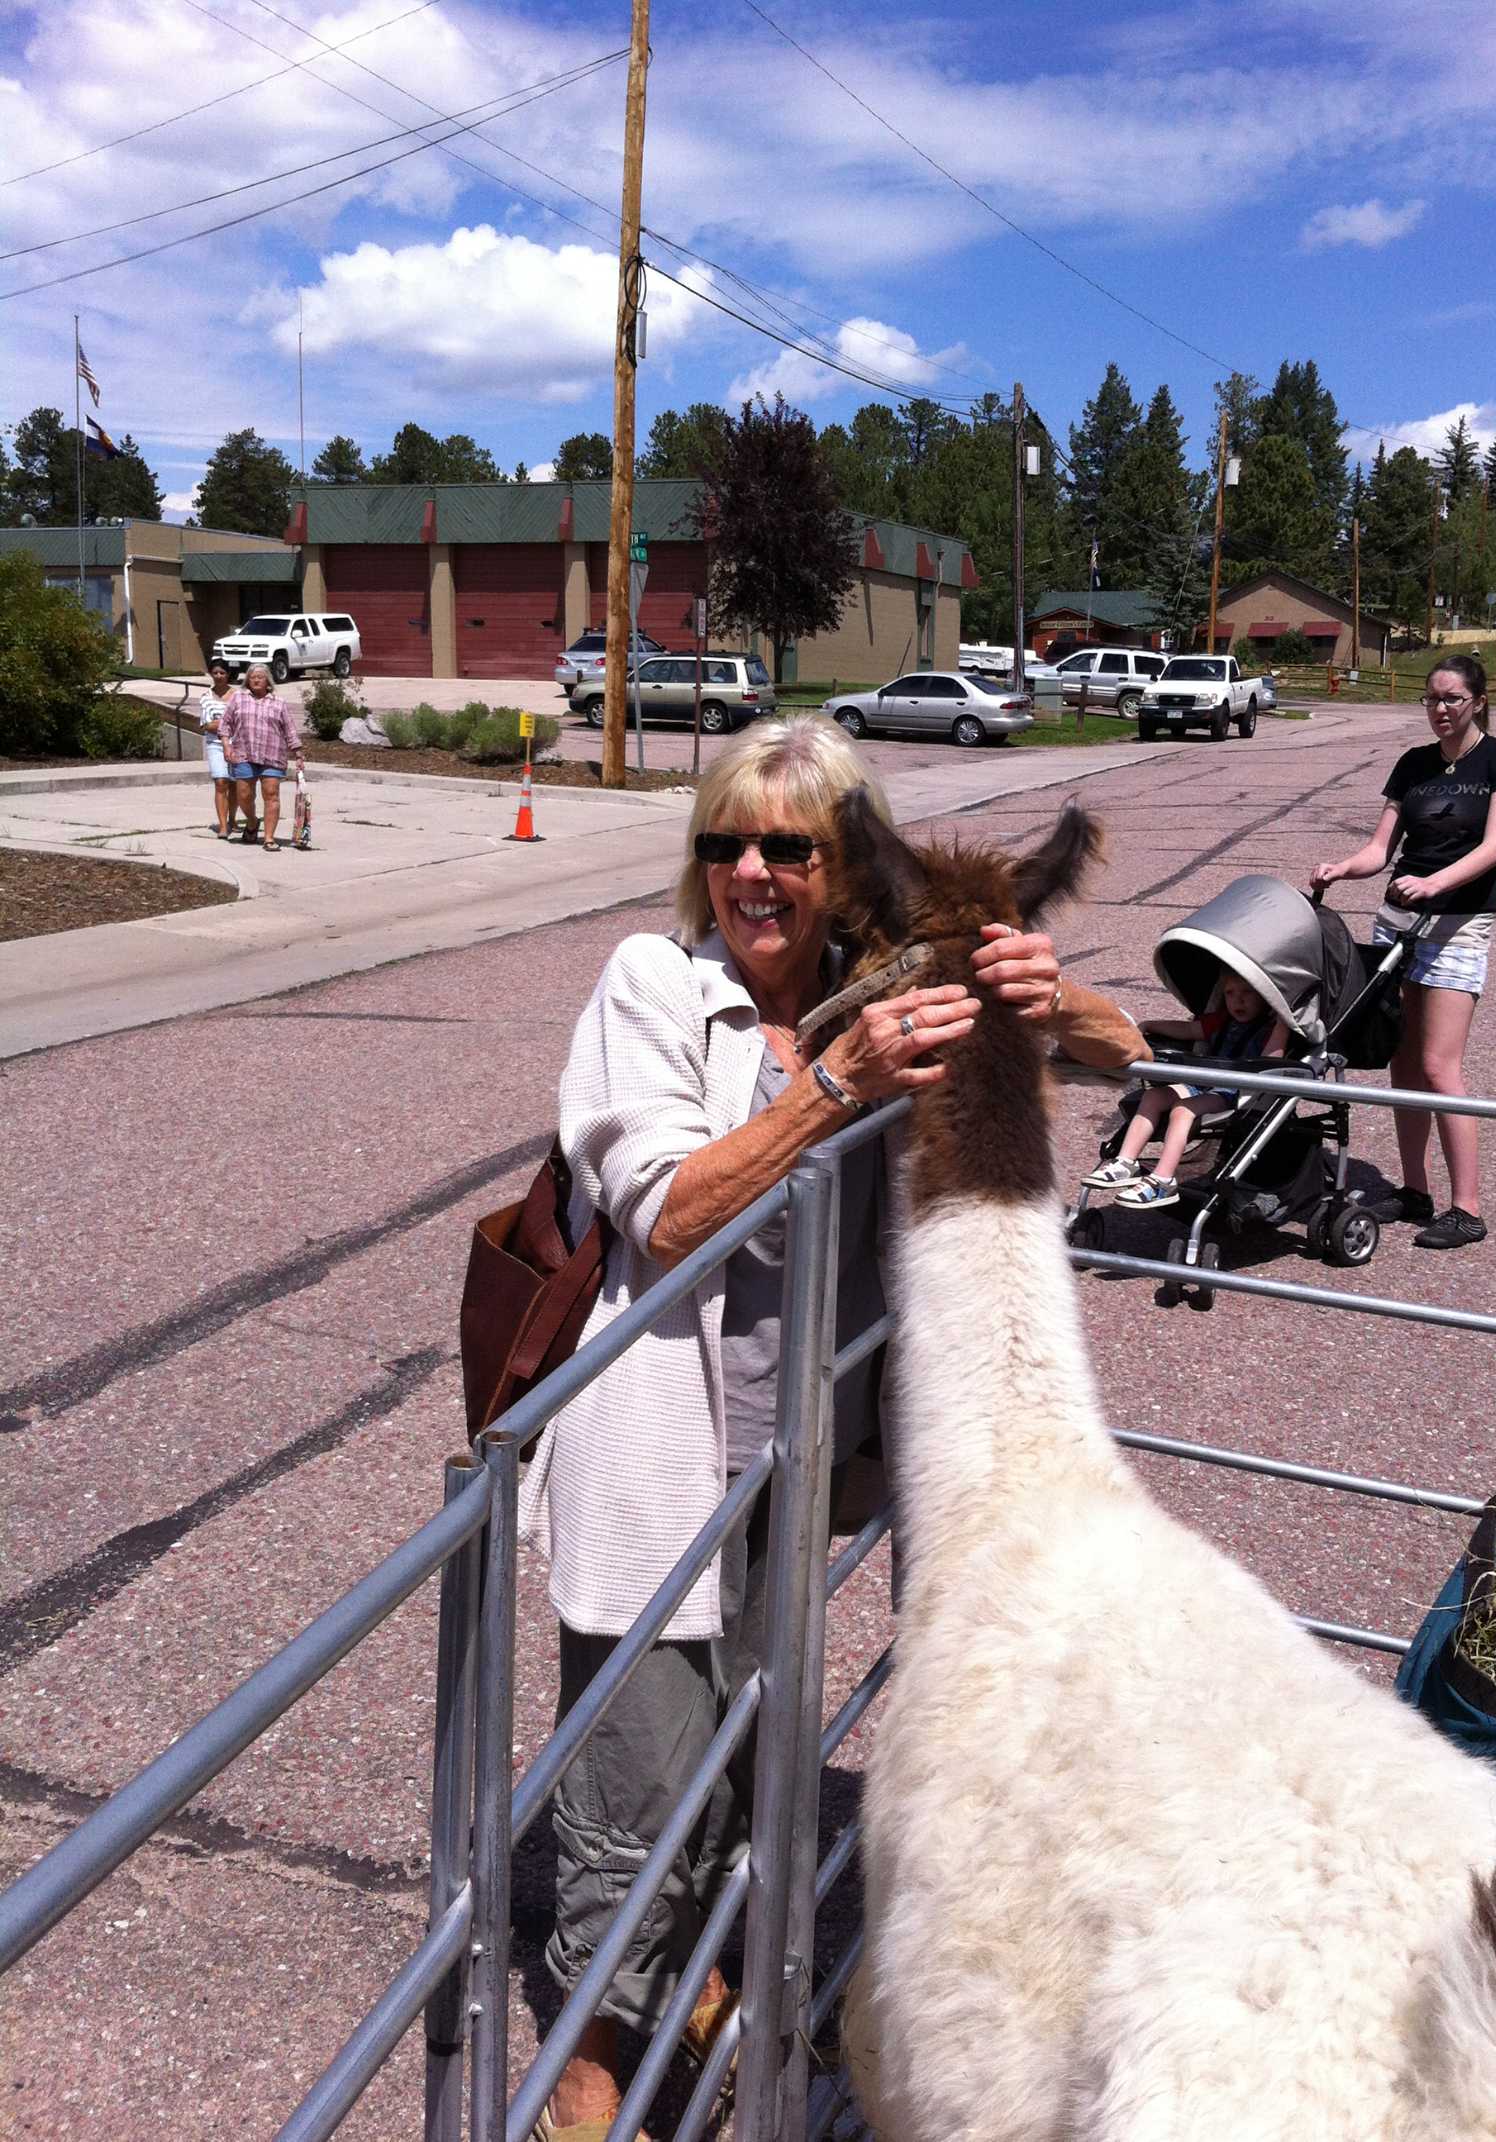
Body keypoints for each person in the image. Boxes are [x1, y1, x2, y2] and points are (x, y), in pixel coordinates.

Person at [524, 713, 1142, 2137]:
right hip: (657, 1474)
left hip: (791, 1476)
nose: (752, 870)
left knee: (756, 1778)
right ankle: (589, 2082)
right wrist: (833, 1087)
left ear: (838, 866)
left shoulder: (884, 983)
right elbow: (670, 1211)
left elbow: (1117, 1050)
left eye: (787, 845)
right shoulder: (654, 991)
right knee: (632, 1809)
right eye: (724, 842)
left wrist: (1044, 995)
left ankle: (727, 2009)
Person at [1310, 655, 1496, 1249]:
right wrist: (1341, 868)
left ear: (1478, 701)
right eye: (1432, 699)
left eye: (1453, 699)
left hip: (1458, 923)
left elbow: (1492, 848)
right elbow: (1380, 850)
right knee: (1402, 1063)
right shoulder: (1413, 765)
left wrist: (1436, 884)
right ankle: (1414, 1191)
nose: (1440, 710)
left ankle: (1468, 1208)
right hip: (1397, 922)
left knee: (1439, 1065)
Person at [1082, 972, 1289, 1209]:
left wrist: (1283, 1023)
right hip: (1203, 1082)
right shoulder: (1222, 1022)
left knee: (1183, 1109)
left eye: (1247, 993)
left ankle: (1163, 1180)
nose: (1237, 1000)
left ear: (1265, 998)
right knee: (1153, 1096)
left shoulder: (1270, 1029)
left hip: (1235, 1093)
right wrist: (1150, 1025)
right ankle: (1125, 1162)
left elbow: (1272, 1060)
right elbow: (1189, 1030)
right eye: (1230, 994)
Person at [219, 665, 303, 853]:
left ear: (268, 681)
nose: (256, 680)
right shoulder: (238, 698)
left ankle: (269, 838)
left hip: (272, 755)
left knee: (271, 794)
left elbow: (289, 729)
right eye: (252, 677)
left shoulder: (278, 703)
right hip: (243, 753)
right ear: (247, 680)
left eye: (260, 677)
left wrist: (297, 751)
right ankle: (252, 821)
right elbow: (225, 724)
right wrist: (226, 745)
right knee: (243, 796)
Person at [197, 658, 240, 839]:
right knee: (221, 782)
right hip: (215, 745)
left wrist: (219, 722)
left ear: (228, 674)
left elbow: (242, 722)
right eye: (215, 673)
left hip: (237, 745)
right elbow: (206, 725)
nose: (219, 676)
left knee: (235, 784)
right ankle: (223, 826)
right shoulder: (206, 697)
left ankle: (233, 819)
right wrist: (227, 722)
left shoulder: (239, 696)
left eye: (222, 673)